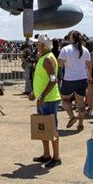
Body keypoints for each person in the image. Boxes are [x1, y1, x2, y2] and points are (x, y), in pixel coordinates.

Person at [28, 34, 61, 167]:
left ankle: (56, 157)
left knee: (51, 129)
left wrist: (41, 96)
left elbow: (53, 80)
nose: (36, 46)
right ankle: (47, 154)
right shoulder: (44, 57)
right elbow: (42, 79)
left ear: (44, 45)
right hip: (44, 99)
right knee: (43, 128)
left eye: (38, 44)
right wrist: (35, 92)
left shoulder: (47, 59)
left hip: (49, 99)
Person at [58, 30, 91, 131]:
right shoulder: (85, 50)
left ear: (71, 38)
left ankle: (72, 116)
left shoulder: (66, 49)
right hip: (82, 78)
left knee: (64, 99)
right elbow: (89, 65)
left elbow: (60, 64)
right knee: (80, 102)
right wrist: (90, 77)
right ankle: (80, 123)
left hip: (69, 79)